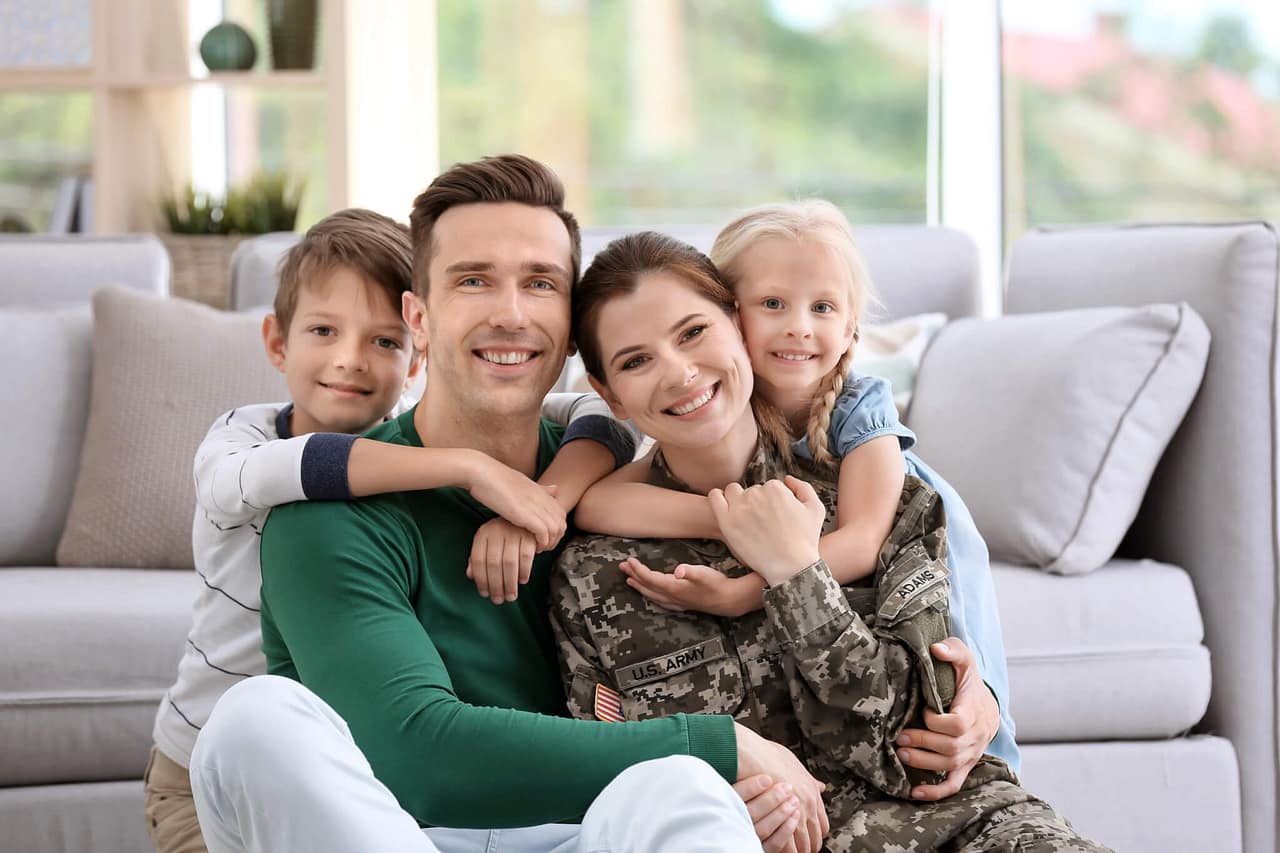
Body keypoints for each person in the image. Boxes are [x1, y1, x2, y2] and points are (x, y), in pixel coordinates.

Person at [188, 156, 830, 853]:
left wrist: (969, 688)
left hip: (583, 830)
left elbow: (887, 520)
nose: (511, 314)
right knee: (252, 719)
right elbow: (420, 757)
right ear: (419, 318)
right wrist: (721, 745)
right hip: (404, 833)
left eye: (540, 284)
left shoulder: (611, 478)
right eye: (474, 280)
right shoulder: (329, 512)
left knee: (686, 788)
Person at [550, 231, 1109, 852]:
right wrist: (714, 801)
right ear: (609, 395)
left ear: (738, 328)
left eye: (692, 333)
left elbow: (918, 748)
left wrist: (796, 572)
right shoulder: (592, 570)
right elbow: (617, 777)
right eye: (635, 361)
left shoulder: (875, 491)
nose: (679, 373)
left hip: (962, 828)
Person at [146, 206, 641, 853]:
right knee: (259, 730)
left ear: (413, 347)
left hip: (342, 750)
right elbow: (306, 465)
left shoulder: (414, 426)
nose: (350, 362)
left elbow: (602, 412)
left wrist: (544, 503)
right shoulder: (246, 444)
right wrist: (469, 468)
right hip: (218, 754)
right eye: (324, 330)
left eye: (382, 342)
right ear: (276, 341)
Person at [573, 200, 1019, 787]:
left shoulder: (860, 410)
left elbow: (863, 542)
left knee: (963, 658)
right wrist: (736, 521)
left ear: (852, 322)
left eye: (823, 308)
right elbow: (597, 502)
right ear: (735, 312)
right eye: (773, 305)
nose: (798, 327)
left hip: (908, 521)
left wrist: (744, 591)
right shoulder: (707, 392)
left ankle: (989, 739)